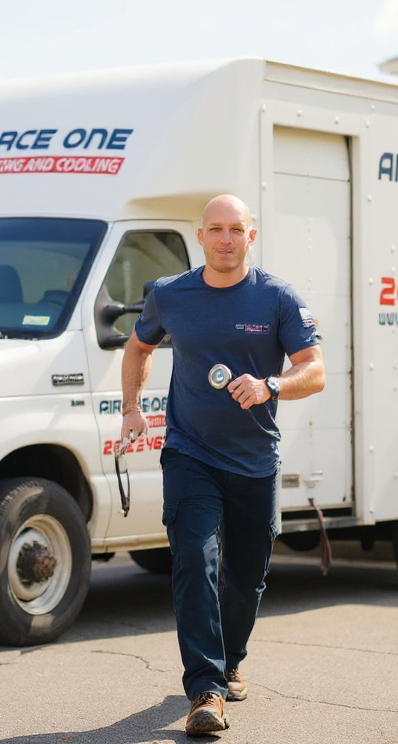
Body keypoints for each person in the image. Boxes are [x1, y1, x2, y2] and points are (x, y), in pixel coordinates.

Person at [120, 194, 325, 736]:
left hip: (254, 459)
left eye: (236, 229)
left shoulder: (276, 298)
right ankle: (206, 690)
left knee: (247, 575)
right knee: (193, 559)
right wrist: (132, 409)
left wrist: (271, 385)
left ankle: (231, 660)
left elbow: (315, 370)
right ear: (201, 235)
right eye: (216, 229)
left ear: (250, 236)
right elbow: (138, 348)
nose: (226, 239)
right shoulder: (170, 295)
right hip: (190, 452)